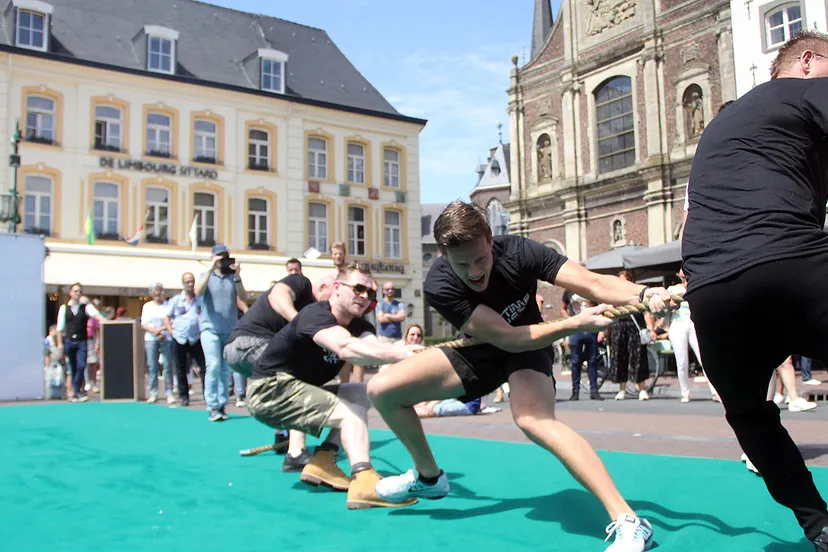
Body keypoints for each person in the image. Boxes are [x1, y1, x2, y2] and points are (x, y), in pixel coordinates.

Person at [367, 200, 672, 551]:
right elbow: (505, 337)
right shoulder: (438, 283)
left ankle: (629, 521)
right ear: (443, 255)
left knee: (532, 419)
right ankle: (429, 477)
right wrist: (575, 324)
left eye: (480, 259)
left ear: (490, 240)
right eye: (462, 264)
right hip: (486, 346)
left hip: (531, 344)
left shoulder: (521, 252)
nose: (474, 272)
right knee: (382, 389)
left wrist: (645, 293)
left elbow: (591, 283)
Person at [682, 31, 828, 548]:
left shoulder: (722, 124)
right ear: (807, 61)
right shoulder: (807, 90)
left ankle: (818, 524)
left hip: (710, 289)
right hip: (785, 256)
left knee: (748, 413)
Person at [247, 263, 416, 509]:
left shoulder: (360, 326)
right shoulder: (315, 314)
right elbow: (346, 347)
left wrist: (408, 352)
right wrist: (401, 354)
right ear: (336, 288)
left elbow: (374, 348)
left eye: (370, 293)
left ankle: (324, 461)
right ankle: (363, 481)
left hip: (298, 388)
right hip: (269, 390)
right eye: (358, 288)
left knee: (363, 392)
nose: (365, 296)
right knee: (351, 414)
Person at [225, 261, 334, 471]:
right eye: (332, 295)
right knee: (298, 379)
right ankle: (296, 452)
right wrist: (300, 321)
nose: (331, 305)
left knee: (282, 386)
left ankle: (282, 435)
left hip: (242, 350)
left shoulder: (315, 308)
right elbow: (277, 296)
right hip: (248, 344)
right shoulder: (301, 283)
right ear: (322, 287)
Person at [195, 243, 247, 422]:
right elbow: (198, 291)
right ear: (212, 258)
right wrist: (211, 267)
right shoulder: (205, 275)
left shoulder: (232, 277)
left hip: (229, 329)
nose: (222, 260)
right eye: (219, 256)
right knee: (213, 365)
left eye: (225, 256)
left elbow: (243, 297)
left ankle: (222, 404)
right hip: (209, 329)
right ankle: (212, 405)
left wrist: (237, 275)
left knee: (226, 370)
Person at [666, 270, 718, 403]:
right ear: (678, 275)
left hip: (693, 323)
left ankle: (715, 391)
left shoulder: (696, 285)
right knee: (682, 361)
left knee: (704, 358)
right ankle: (685, 392)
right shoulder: (673, 289)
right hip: (678, 324)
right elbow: (666, 307)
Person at [56, 283, 108, 402]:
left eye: (79, 291)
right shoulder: (64, 308)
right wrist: (59, 343)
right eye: (75, 291)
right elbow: (60, 327)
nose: (78, 293)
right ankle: (74, 392)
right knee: (72, 367)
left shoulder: (86, 307)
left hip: (81, 341)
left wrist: (106, 321)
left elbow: (96, 315)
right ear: (70, 293)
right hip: (69, 340)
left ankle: (77, 391)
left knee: (81, 365)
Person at [606, 270, 650, 401]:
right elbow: (609, 311)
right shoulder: (614, 295)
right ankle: (622, 389)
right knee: (619, 356)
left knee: (638, 357)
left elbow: (646, 313)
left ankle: (642, 389)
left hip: (635, 327)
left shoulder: (638, 294)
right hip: (619, 326)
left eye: (625, 280)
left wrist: (650, 328)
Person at [165, 272, 206, 407]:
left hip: (195, 337)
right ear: (183, 284)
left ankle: (207, 395)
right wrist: (172, 332)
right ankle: (184, 396)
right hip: (179, 338)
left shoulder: (199, 300)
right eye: (187, 282)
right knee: (180, 368)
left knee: (204, 367)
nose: (190, 284)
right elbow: (167, 317)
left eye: (192, 281)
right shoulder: (176, 300)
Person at [561, 289, 602, 401]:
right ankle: (575, 391)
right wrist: (568, 320)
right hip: (576, 330)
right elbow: (563, 308)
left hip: (591, 328)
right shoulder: (568, 291)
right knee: (576, 361)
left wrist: (602, 330)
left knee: (592, 360)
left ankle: (594, 391)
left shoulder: (590, 288)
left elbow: (599, 308)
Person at [141, 282, 175, 404]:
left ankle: (169, 393)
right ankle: (153, 393)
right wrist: (155, 332)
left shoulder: (168, 305)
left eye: (159, 290)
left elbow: (171, 321)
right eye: (155, 291)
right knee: (152, 366)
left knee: (167, 365)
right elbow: (143, 323)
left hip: (166, 337)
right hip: (151, 338)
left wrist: (161, 330)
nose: (157, 293)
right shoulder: (147, 306)